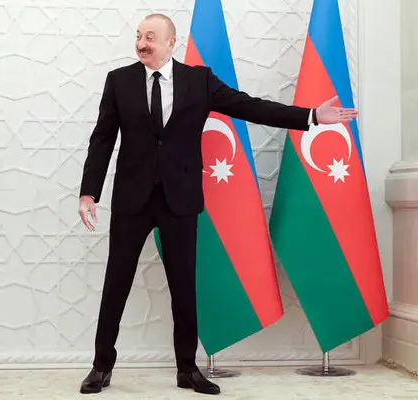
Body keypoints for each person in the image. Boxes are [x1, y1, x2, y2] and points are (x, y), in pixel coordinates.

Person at [77, 13, 358, 395]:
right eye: (139, 36)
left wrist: (311, 116)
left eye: (151, 37)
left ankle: (187, 370)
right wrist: (89, 192)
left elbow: (250, 107)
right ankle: (101, 367)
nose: (142, 43)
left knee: (184, 288)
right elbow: (102, 139)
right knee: (116, 284)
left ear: (171, 42)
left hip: (180, 199)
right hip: (132, 200)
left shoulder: (199, 81)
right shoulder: (119, 81)